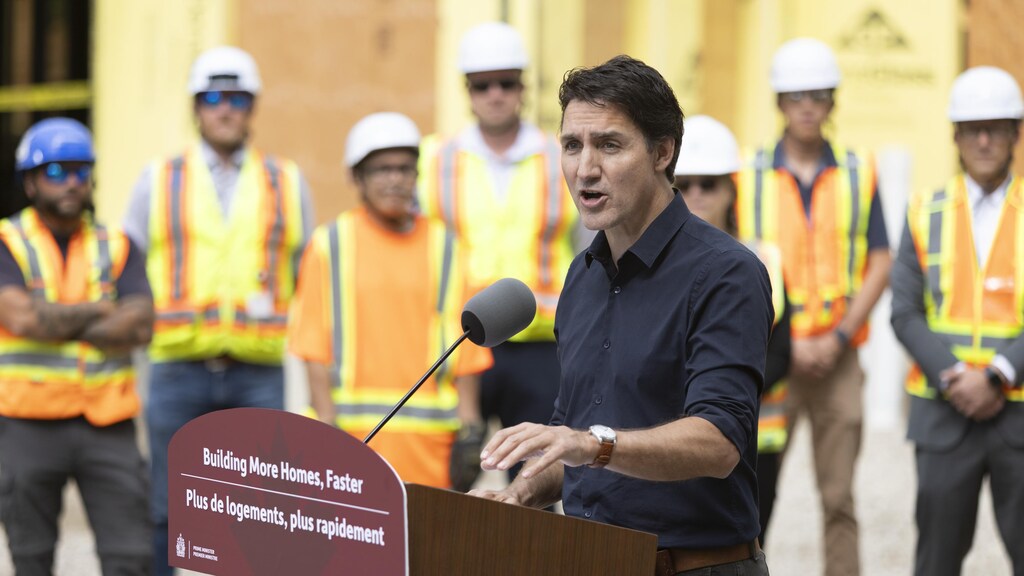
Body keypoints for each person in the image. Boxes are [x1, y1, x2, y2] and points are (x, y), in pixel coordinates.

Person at [471, 55, 772, 575]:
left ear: (662, 151)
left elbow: (720, 441)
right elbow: (570, 433)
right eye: (572, 146)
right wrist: (519, 496)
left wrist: (593, 445)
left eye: (609, 145)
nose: (586, 168)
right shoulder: (581, 277)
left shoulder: (726, 272)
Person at [122, 46, 314, 576]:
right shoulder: (158, 178)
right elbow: (126, 263)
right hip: (176, 368)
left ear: (251, 106)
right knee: (166, 504)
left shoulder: (286, 181)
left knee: (260, 514)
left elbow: (306, 271)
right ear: (196, 107)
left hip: (258, 371)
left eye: (235, 97)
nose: (224, 108)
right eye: (212, 97)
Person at [734, 38, 891, 576]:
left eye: (819, 95)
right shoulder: (746, 173)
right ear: (779, 101)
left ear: (832, 103)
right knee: (750, 497)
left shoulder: (856, 170)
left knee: (839, 499)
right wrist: (789, 343)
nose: (808, 105)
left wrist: (840, 337)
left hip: (838, 355)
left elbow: (881, 260)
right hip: (770, 359)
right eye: (796, 95)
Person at [287, 112, 492, 488]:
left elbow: (467, 350)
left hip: (432, 450)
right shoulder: (329, 246)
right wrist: (326, 427)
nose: (395, 179)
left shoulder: (446, 247)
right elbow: (314, 350)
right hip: (352, 446)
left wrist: (470, 429)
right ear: (357, 178)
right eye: (381, 170)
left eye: (404, 169)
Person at [416, 22, 579, 485]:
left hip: (540, 345)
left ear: (523, 87)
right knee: (446, 481)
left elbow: (590, 247)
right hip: (460, 343)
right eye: (482, 84)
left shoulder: (560, 154)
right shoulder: (436, 159)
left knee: (537, 484)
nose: (495, 94)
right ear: (466, 90)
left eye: (506, 82)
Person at [0, 118, 153, 575]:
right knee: (32, 559)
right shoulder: (8, 242)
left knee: (131, 557)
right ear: (29, 181)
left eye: (81, 171)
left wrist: (54, 318)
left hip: (107, 423)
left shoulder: (120, 244)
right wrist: (102, 310)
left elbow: (142, 325)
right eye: (56, 171)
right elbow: (20, 318)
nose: (71, 181)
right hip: (26, 423)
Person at [891, 65, 1024, 576]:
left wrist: (997, 375)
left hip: (1017, 410)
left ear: (1015, 132)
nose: (985, 139)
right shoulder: (925, 210)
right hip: (944, 414)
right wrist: (955, 378)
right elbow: (904, 313)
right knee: (936, 562)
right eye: (973, 129)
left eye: (996, 127)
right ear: (956, 136)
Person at [675, 115, 792, 545]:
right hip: (673, 436)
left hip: (756, 434)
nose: (697, 195)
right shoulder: (647, 263)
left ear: (731, 190)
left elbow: (781, 349)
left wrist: (728, 393)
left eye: (709, 183)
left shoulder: (765, 258)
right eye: (684, 184)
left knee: (745, 547)